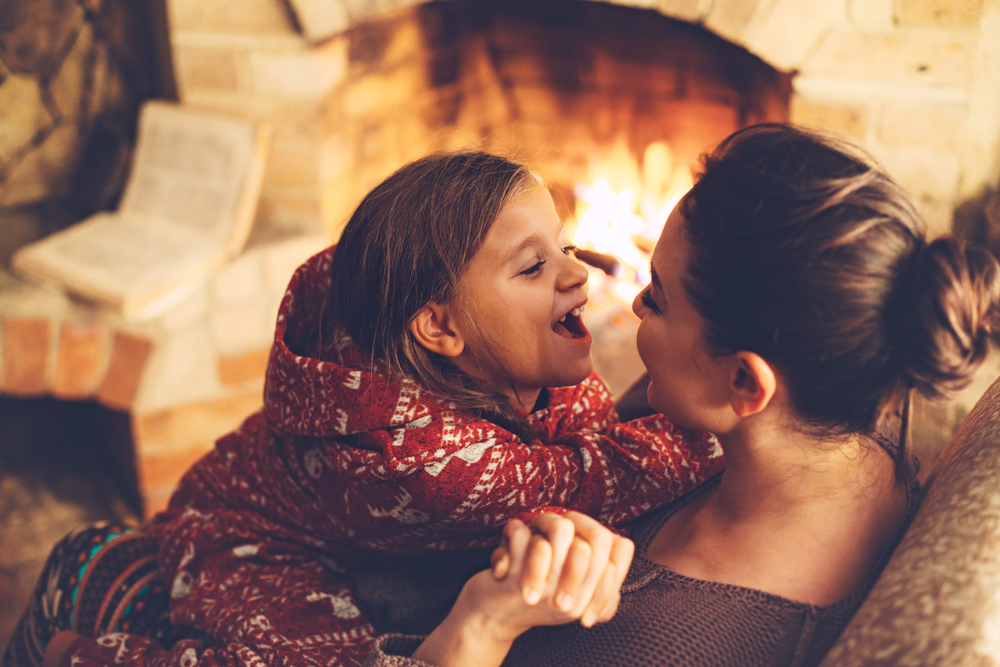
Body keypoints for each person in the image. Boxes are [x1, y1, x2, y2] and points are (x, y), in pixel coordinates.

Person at [3, 152, 723, 667]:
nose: (580, 273)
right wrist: (718, 426)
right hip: (248, 535)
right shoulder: (422, 462)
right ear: (438, 327)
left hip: (291, 497)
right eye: (534, 267)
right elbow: (594, 475)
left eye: (564, 246)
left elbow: (584, 434)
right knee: (311, 653)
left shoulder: (494, 355)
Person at [362, 123, 1000, 667]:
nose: (633, 305)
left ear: (745, 382)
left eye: (658, 299)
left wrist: (484, 623)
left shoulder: (664, 644)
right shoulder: (862, 394)